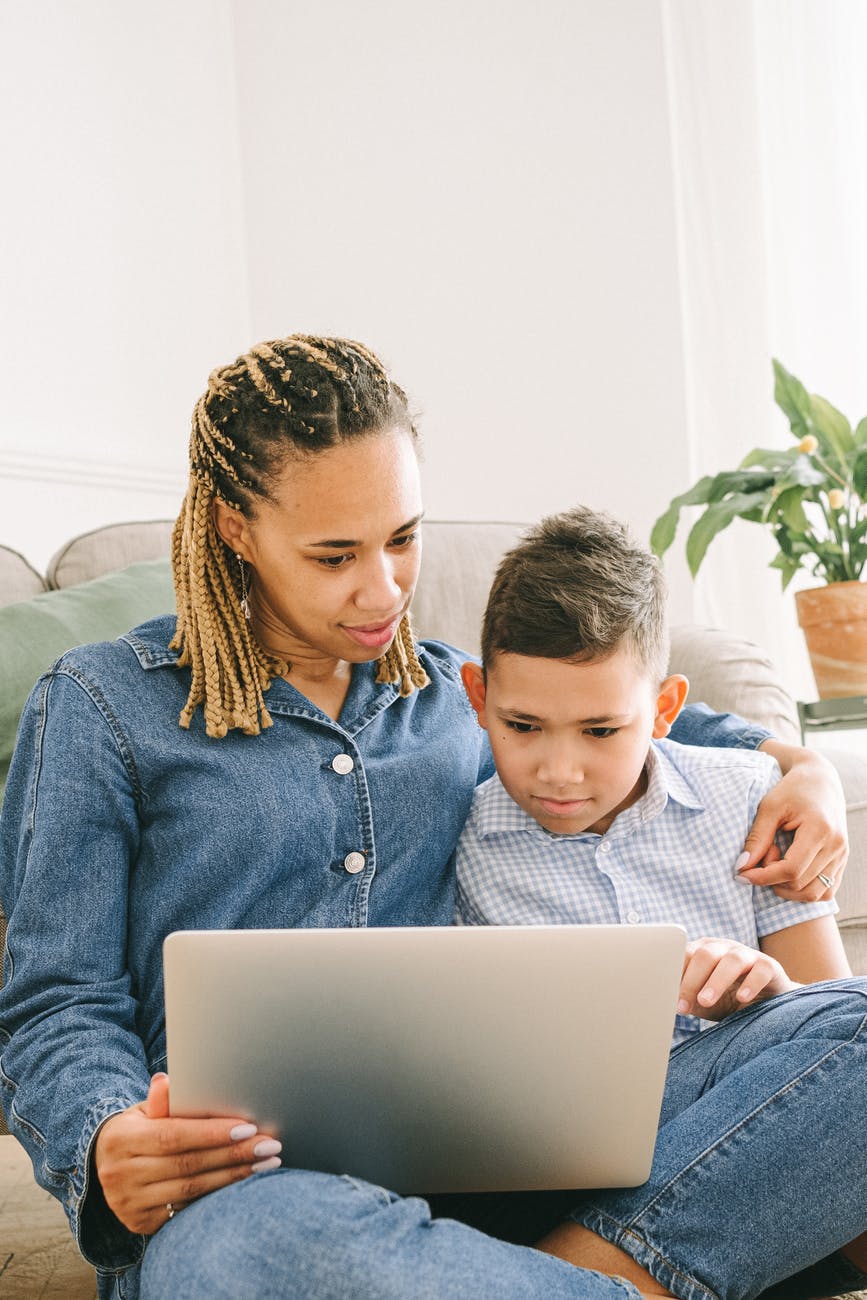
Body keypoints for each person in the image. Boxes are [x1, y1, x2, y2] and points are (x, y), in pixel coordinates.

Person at [0, 334, 858, 1300]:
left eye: (402, 539)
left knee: (855, 1031)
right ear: (237, 528)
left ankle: (578, 1278)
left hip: (518, 1164)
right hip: (256, 1190)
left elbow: (665, 718)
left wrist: (802, 770)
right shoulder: (101, 706)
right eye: (334, 555)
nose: (384, 590)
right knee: (237, 1253)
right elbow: (55, 1000)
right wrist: (106, 1133)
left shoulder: (457, 688)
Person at [455, 505, 867, 1296]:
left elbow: (832, 1021)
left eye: (601, 731)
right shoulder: (459, 837)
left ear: (666, 708)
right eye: (523, 726)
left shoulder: (750, 799)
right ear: (478, 698)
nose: (559, 770)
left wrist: (763, 1000)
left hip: (750, 1133)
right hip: (554, 1163)